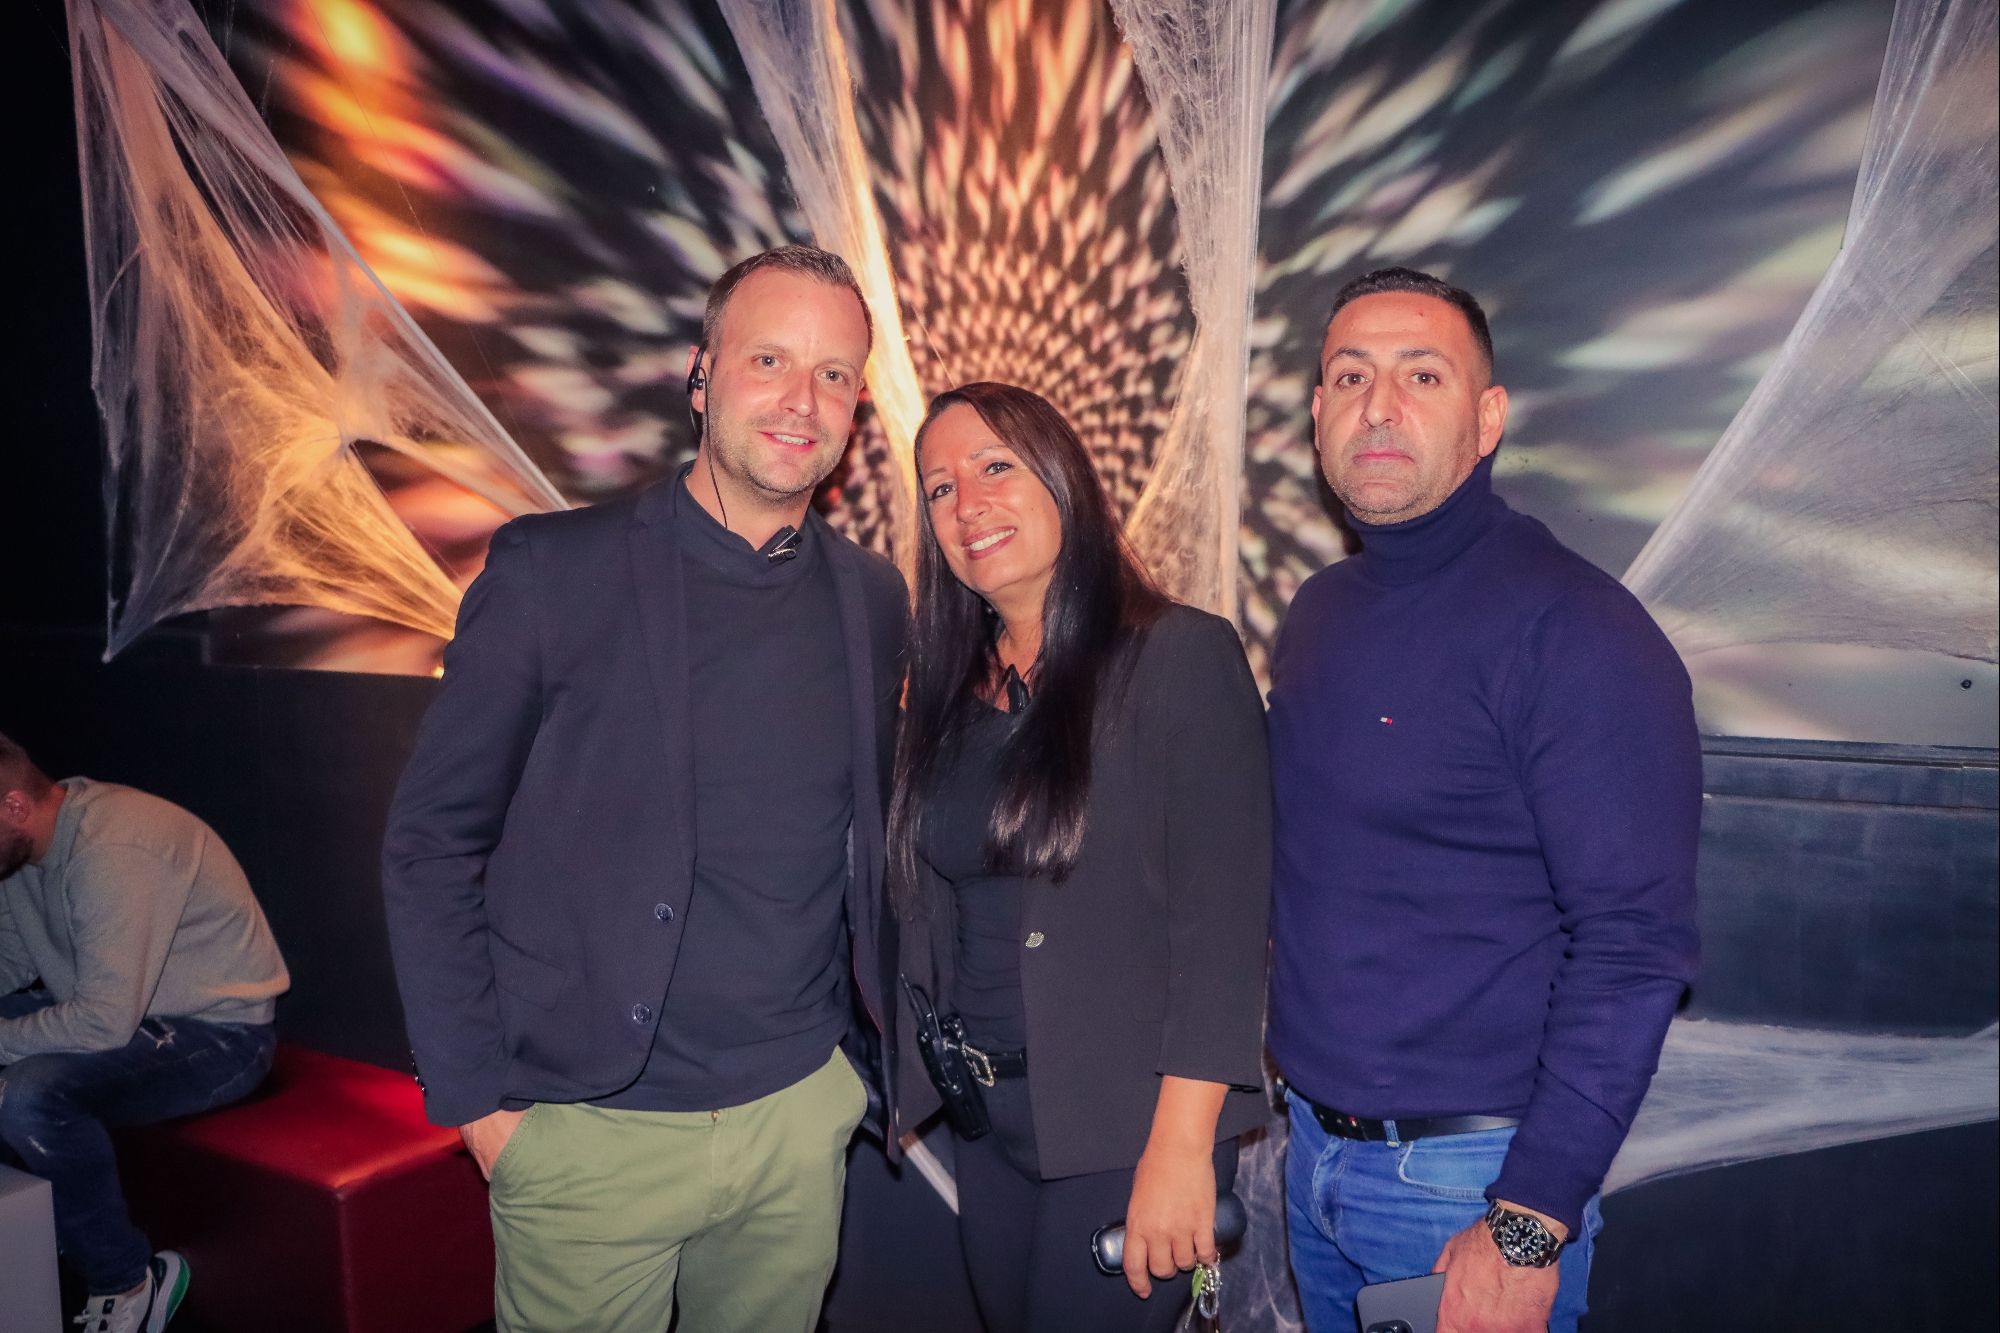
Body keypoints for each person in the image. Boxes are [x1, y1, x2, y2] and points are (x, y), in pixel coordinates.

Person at [381, 245, 908, 1333]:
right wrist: (477, 1104)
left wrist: (842, 1083)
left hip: (795, 1119)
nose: (802, 399)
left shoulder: (873, 598)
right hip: (588, 1133)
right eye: (769, 359)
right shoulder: (552, 571)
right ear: (701, 375)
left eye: (834, 374)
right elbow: (432, 841)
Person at [1265, 266, 1702, 1333]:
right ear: (1317, 414)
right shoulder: (1316, 612)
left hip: (1467, 1189)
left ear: (1488, 417)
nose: (1378, 405)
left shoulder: (1574, 628)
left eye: (1422, 375)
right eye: (1350, 376)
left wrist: (1527, 1224)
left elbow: (1635, 945)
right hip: (1308, 1154)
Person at [889, 382, 1272, 1333]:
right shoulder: (943, 695)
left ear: (1063, 478)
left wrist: (1180, 1148)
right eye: (940, 488)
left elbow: (1224, 931)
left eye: (995, 467)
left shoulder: (1180, 656)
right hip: (990, 1128)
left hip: (1128, 1128)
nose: (968, 503)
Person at [0, 733, 289, 1333]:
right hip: (124, 1014)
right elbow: (10, 962)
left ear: (15, 806)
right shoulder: (20, 857)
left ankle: (128, 1284)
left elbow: (103, 1020)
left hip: (219, 1035)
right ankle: (46, 1231)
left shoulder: (115, 846)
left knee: (29, 1095)